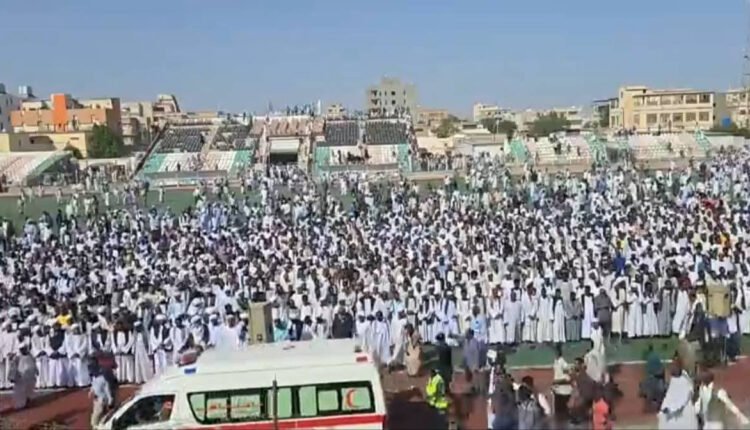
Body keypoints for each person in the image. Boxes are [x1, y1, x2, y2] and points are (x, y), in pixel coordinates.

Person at [658, 362, 698, 430]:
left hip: (683, 418)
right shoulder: (673, 383)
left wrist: (671, 409)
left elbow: (684, 399)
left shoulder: (685, 382)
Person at [11, 344, 37, 410]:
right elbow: (13, 368)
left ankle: (28, 401)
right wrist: (12, 377)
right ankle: (20, 405)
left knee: (29, 390)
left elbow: (34, 364)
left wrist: (36, 371)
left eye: (25, 348)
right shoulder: (17, 358)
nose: (24, 350)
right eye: (22, 349)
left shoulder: (30, 356)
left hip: (30, 377)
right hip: (21, 377)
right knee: (20, 392)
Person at [551, 344, 572, 422]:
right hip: (557, 391)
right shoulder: (555, 361)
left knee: (564, 414)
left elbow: (569, 378)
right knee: (558, 414)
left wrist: (557, 382)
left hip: (565, 392)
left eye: (556, 351)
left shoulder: (563, 363)